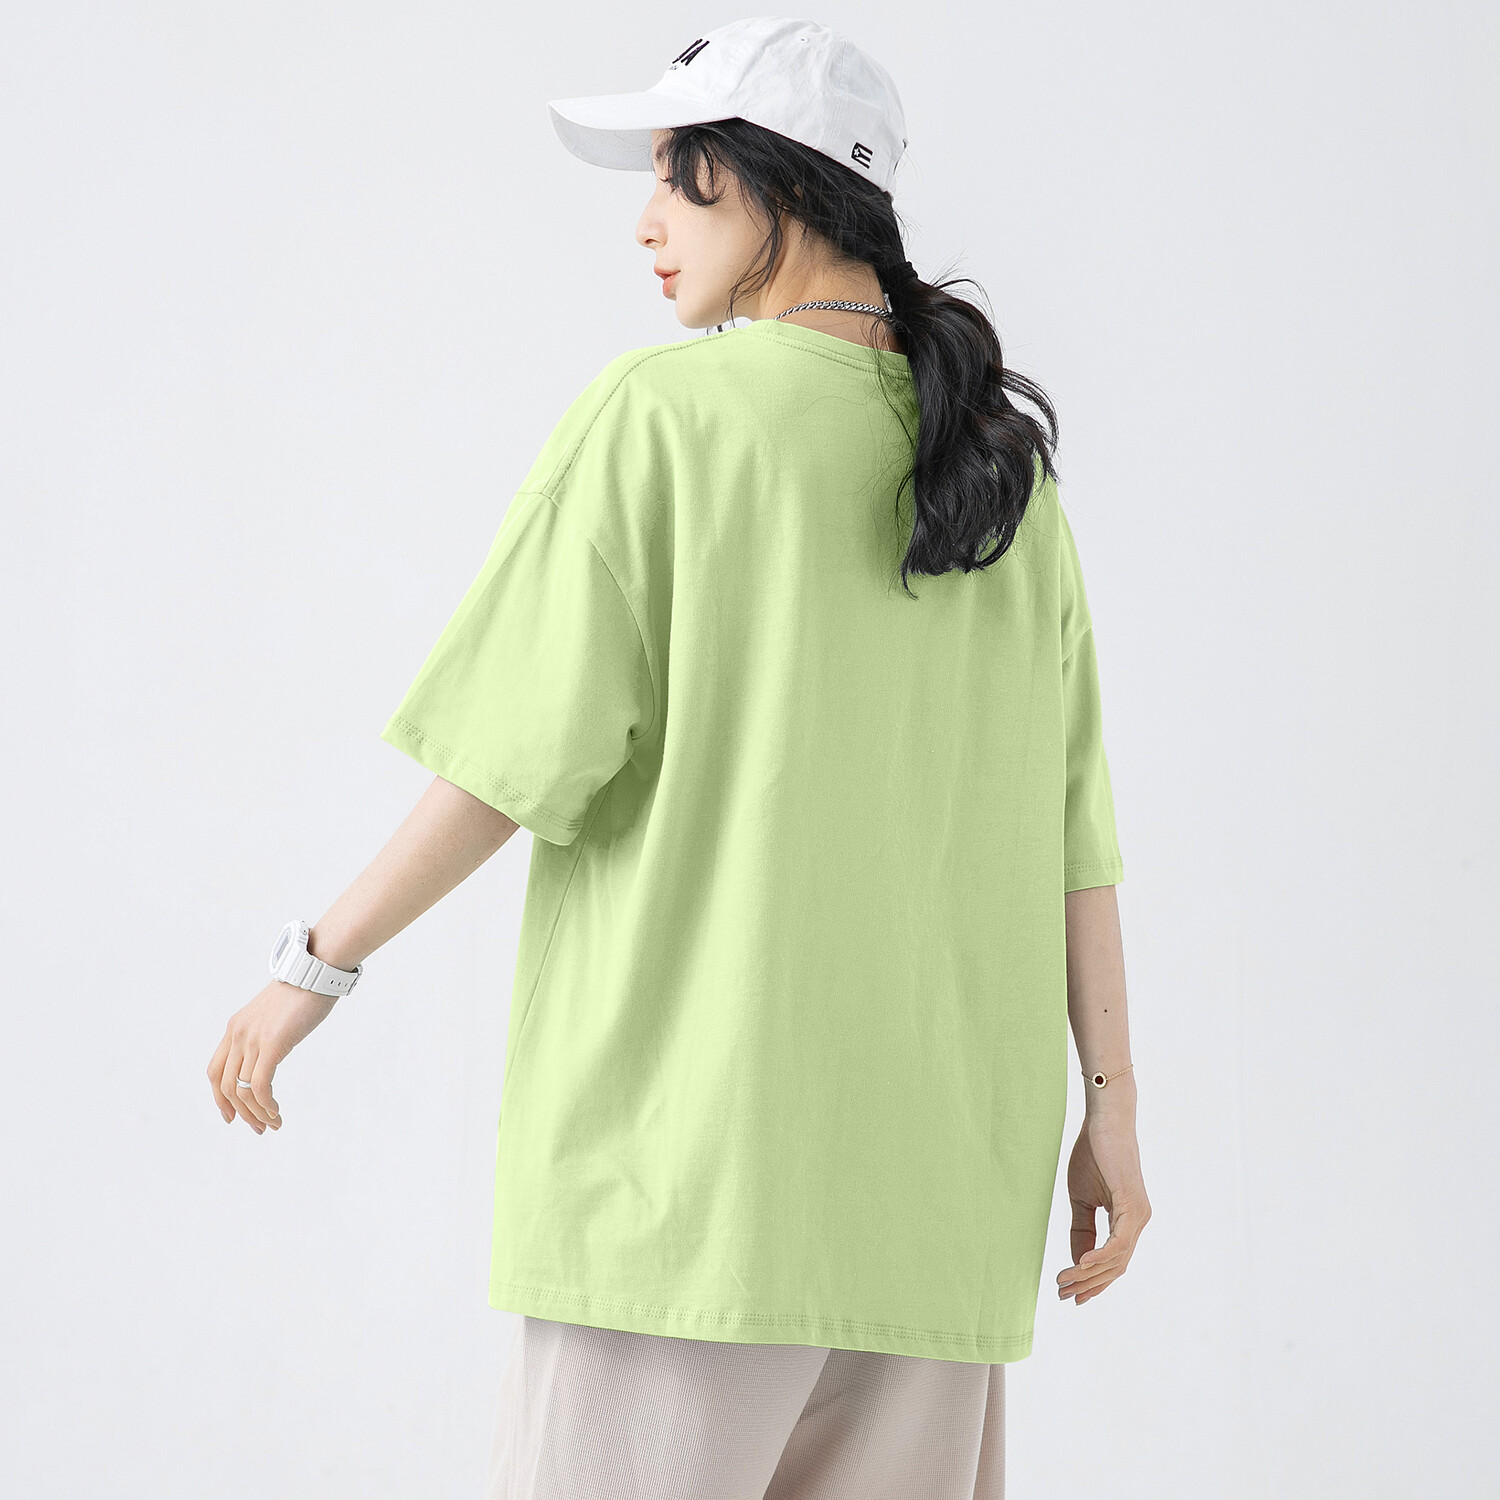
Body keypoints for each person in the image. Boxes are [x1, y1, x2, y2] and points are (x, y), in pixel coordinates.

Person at [206, 17, 1151, 1499]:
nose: (645, 224)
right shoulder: (1002, 486)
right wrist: (1113, 1113)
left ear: (783, 186)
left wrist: (311, 966)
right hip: (943, 1205)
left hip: (690, 1192)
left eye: (677, 178)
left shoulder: (661, 420)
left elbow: (509, 762)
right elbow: (1073, 841)